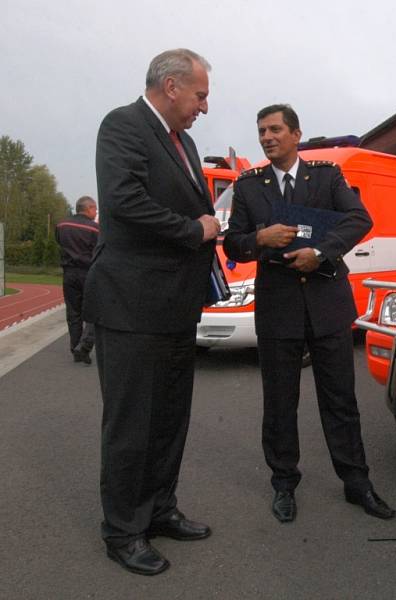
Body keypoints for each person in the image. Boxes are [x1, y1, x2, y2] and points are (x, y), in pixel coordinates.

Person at [224, 104, 395, 524]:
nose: (267, 137)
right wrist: (258, 238)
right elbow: (232, 244)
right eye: (262, 130)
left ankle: (357, 484)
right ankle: (284, 484)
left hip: (327, 305)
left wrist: (320, 252)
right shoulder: (248, 186)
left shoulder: (325, 176)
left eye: (276, 129)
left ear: (296, 134)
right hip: (278, 309)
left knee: (340, 401)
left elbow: (360, 219)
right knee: (280, 403)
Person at [84, 48, 220, 576]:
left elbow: (188, 207)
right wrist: (195, 229)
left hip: (175, 306)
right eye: (200, 95)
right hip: (131, 304)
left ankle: (159, 509)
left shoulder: (183, 142)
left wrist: (212, 221)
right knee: (132, 425)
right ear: (170, 86)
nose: (203, 107)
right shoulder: (122, 125)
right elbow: (123, 201)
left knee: (169, 419)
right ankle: (123, 531)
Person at [55, 195, 99, 364]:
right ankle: (85, 346)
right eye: (94, 209)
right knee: (95, 311)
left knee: (73, 313)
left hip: (69, 273)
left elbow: (59, 242)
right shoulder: (96, 229)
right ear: (88, 208)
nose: (95, 213)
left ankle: (76, 349)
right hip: (88, 273)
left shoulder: (62, 225)